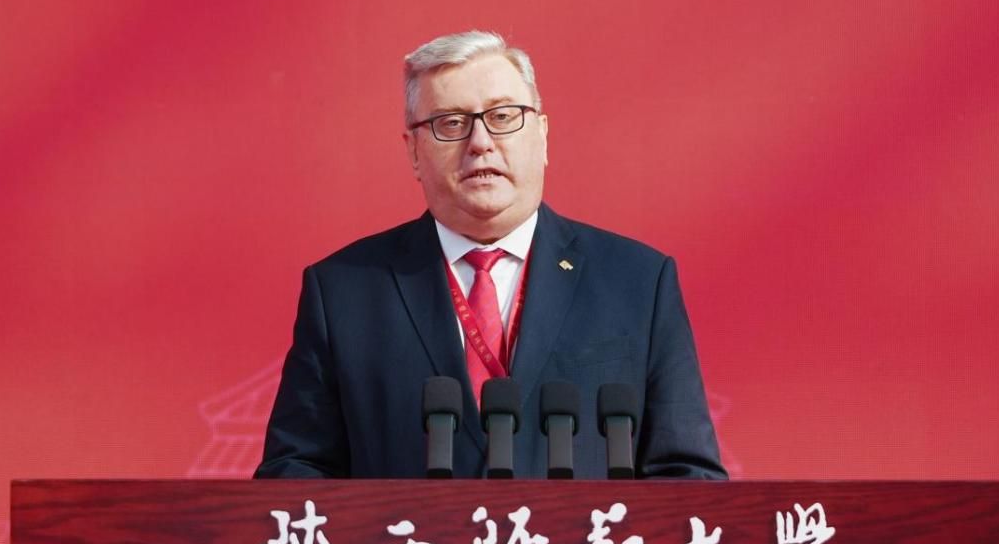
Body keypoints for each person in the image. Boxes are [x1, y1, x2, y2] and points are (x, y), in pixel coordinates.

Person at [254, 30, 726, 480]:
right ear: (414, 152)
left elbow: (686, 475)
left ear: (542, 135)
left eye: (502, 116)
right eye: (451, 123)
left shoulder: (636, 283)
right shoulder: (345, 292)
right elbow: (295, 473)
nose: (480, 143)